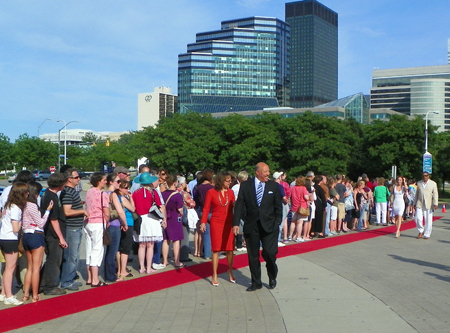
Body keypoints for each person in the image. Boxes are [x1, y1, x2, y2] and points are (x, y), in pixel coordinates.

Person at [233, 162, 282, 291]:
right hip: (252, 225)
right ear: (257, 172)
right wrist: (236, 223)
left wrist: (277, 222)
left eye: (268, 171)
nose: (268, 174)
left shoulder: (274, 186)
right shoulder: (246, 185)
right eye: (265, 171)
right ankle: (256, 282)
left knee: (270, 253)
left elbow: (278, 206)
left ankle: (272, 275)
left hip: (270, 226)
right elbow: (239, 205)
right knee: (253, 255)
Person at [200, 171, 236, 286]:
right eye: (227, 180)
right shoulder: (211, 192)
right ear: (221, 180)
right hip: (216, 221)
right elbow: (206, 209)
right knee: (216, 249)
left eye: (230, 180)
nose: (230, 182)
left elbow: (233, 207)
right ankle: (214, 274)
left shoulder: (231, 192)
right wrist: (203, 222)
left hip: (229, 221)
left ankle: (230, 270)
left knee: (230, 249)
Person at [21, 182, 53, 303]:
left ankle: (25, 294)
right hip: (36, 235)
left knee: (29, 267)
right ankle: (35, 295)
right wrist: (48, 211)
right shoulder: (32, 205)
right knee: (36, 267)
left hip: (26, 235)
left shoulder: (23, 205)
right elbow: (40, 223)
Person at [40, 172, 68, 296]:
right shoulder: (51, 197)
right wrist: (61, 238)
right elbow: (54, 219)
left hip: (50, 232)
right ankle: (49, 286)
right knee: (54, 260)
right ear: (60, 184)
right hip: (53, 234)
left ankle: (41, 283)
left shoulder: (48, 193)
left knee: (52, 259)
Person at [60, 168, 88, 291]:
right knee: (71, 256)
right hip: (71, 229)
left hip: (76, 227)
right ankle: (66, 281)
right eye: (76, 177)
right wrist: (82, 210)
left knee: (75, 255)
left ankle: (70, 278)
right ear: (69, 179)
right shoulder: (67, 192)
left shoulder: (72, 191)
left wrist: (80, 203)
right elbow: (67, 211)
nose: (79, 179)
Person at [0, 183, 28, 305]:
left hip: (3, 237)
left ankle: (3, 293)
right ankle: (9, 296)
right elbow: (16, 228)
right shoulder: (16, 208)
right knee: (10, 268)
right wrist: (23, 223)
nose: (28, 194)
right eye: (26, 192)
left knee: (7, 267)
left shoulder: (8, 205)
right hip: (10, 238)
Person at [132, 172, 166, 273]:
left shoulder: (135, 193)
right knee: (150, 245)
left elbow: (133, 207)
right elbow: (160, 206)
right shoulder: (154, 192)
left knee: (141, 245)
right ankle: (148, 267)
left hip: (140, 219)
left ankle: (141, 267)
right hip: (152, 219)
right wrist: (164, 218)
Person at [84, 172, 109, 287]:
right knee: (97, 250)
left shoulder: (89, 192)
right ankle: (95, 279)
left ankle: (89, 278)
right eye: (104, 180)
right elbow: (106, 211)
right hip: (98, 222)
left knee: (89, 249)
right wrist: (107, 221)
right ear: (99, 181)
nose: (106, 182)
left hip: (88, 223)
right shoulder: (102, 194)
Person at [104, 173, 128, 283]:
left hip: (107, 224)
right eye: (117, 181)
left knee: (108, 251)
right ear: (111, 182)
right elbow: (120, 211)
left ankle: (108, 274)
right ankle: (110, 276)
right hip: (114, 225)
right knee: (112, 252)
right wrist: (125, 223)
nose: (119, 183)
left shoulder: (103, 193)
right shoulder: (112, 194)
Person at [161, 174, 184, 268]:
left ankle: (165, 261)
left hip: (165, 217)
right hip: (175, 217)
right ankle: (177, 261)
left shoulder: (162, 194)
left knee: (166, 240)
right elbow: (180, 209)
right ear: (175, 183)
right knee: (176, 240)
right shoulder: (177, 195)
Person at [115, 180, 136, 277]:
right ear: (120, 188)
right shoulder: (122, 198)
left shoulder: (114, 197)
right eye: (126, 188)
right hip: (127, 223)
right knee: (125, 248)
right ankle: (123, 270)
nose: (128, 189)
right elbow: (133, 209)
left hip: (117, 224)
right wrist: (131, 198)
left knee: (119, 248)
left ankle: (118, 269)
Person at [194, 169, 214, 259]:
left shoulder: (199, 187)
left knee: (206, 233)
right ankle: (216, 252)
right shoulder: (211, 187)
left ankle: (206, 254)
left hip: (202, 210)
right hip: (211, 210)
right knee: (214, 233)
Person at [414, 172, 438, 239]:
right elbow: (417, 194)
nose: (424, 177)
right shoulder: (419, 183)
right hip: (419, 203)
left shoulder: (433, 184)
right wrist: (414, 203)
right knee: (417, 218)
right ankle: (421, 230)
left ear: (428, 176)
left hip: (428, 204)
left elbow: (435, 194)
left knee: (428, 220)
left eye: (426, 176)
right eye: (423, 176)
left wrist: (435, 203)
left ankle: (427, 234)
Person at [177, 176, 196, 262]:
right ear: (182, 184)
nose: (186, 184)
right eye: (185, 182)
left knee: (178, 237)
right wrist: (189, 193)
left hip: (176, 216)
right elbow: (192, 203)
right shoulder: (184, 193)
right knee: (185, 236)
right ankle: (184, 256)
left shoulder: (175, 191)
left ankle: (177, 254)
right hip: (184, 215)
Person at [231, 171, 248, 251]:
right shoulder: (242, 187)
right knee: (241, 225)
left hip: (237, 207)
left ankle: (239, 244)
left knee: (239, 225)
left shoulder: (234, 187)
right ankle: (240, 244)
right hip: (241, 207)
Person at [289, 176, 310, 242]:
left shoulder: (292, 188)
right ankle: (298, 237)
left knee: (293, 222)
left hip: (294, 206)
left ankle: (290, 236)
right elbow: (306, 197)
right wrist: (310, 195)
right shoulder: (303, 188)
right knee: (300, 222)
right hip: (302, 207)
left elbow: (289, 196)